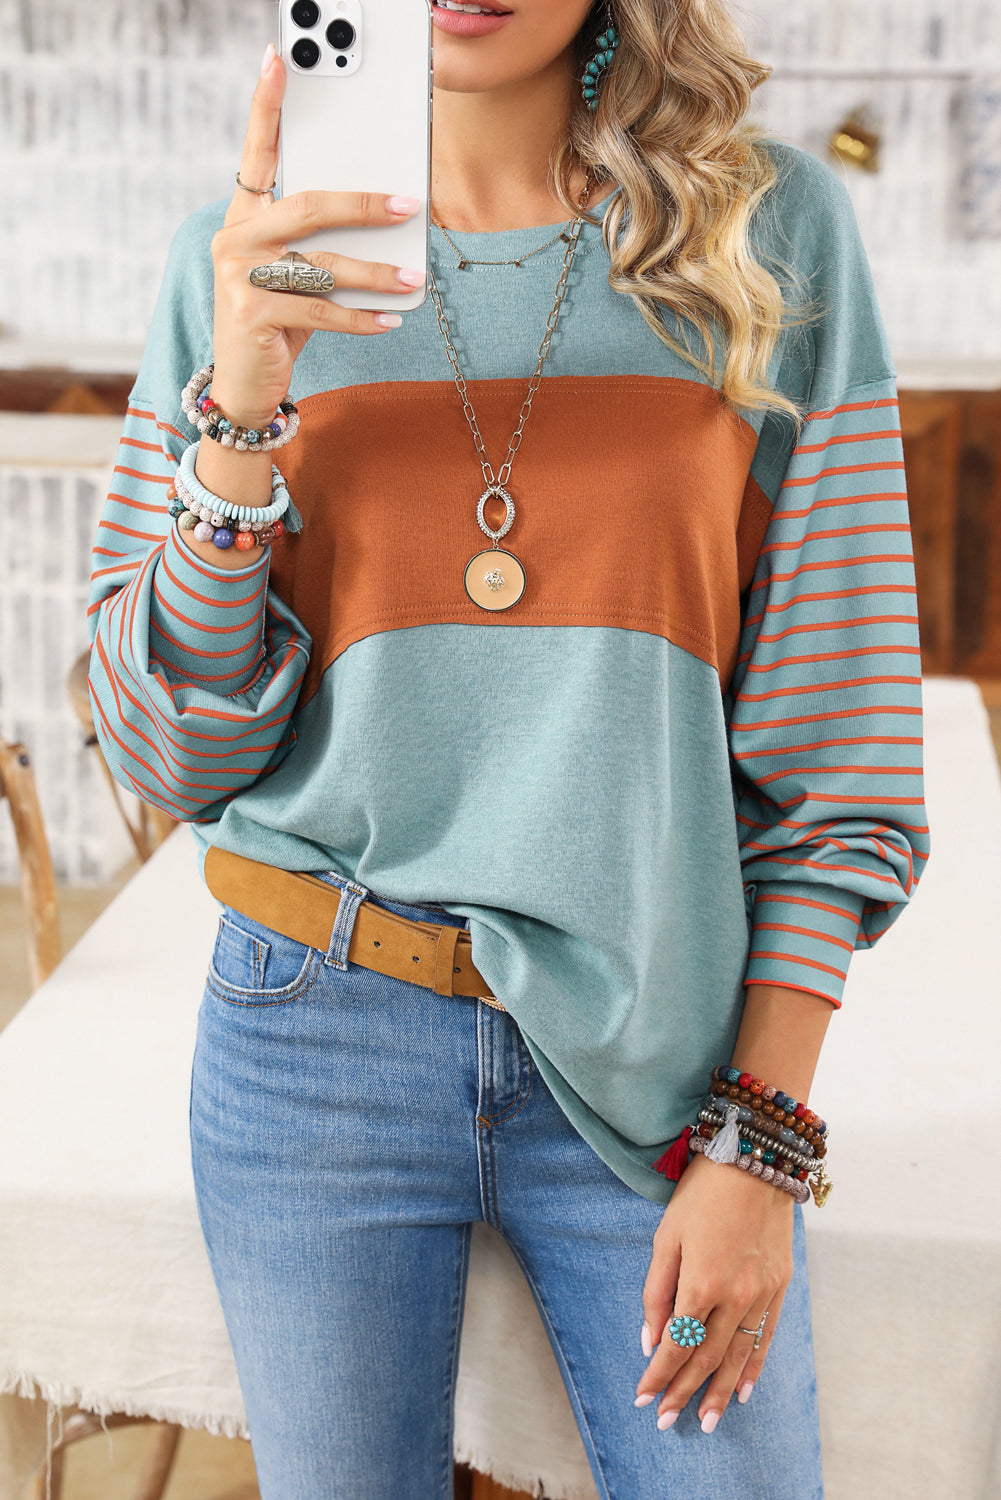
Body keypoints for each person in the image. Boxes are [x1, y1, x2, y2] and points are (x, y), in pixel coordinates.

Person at [86, 1, 930, 1495]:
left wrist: (761, 1138)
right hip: (310, 1033)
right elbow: (168, 747)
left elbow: (840, 740)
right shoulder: (234, 260)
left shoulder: (772, 233)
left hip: (656, 1045)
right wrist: (245, 400)